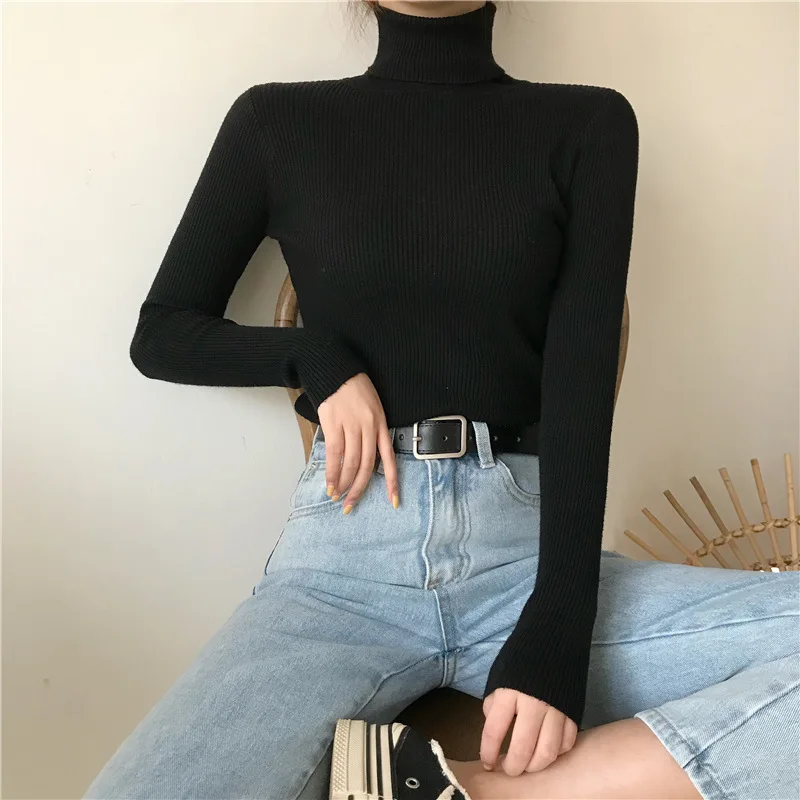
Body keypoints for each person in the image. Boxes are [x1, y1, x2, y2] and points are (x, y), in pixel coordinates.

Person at [86, 2, 799, 799]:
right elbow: (163, 332)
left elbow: (580, 388)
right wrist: (315, 357)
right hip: (341, 571)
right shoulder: (275, 122)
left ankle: (478, 793)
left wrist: (557, 626)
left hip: (528, 557)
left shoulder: (589, 125)